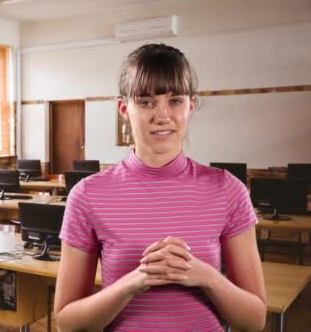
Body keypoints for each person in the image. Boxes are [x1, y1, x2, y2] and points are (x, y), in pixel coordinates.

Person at [54, 44, 266, 331]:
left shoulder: (228, 190)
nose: (162, 115)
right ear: (123, 109)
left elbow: (254, 320)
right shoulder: (87, 195)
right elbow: (67, 322)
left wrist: (206, 276)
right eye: (146, 102)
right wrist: (131, 283)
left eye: (175, 100)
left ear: (191, 106)